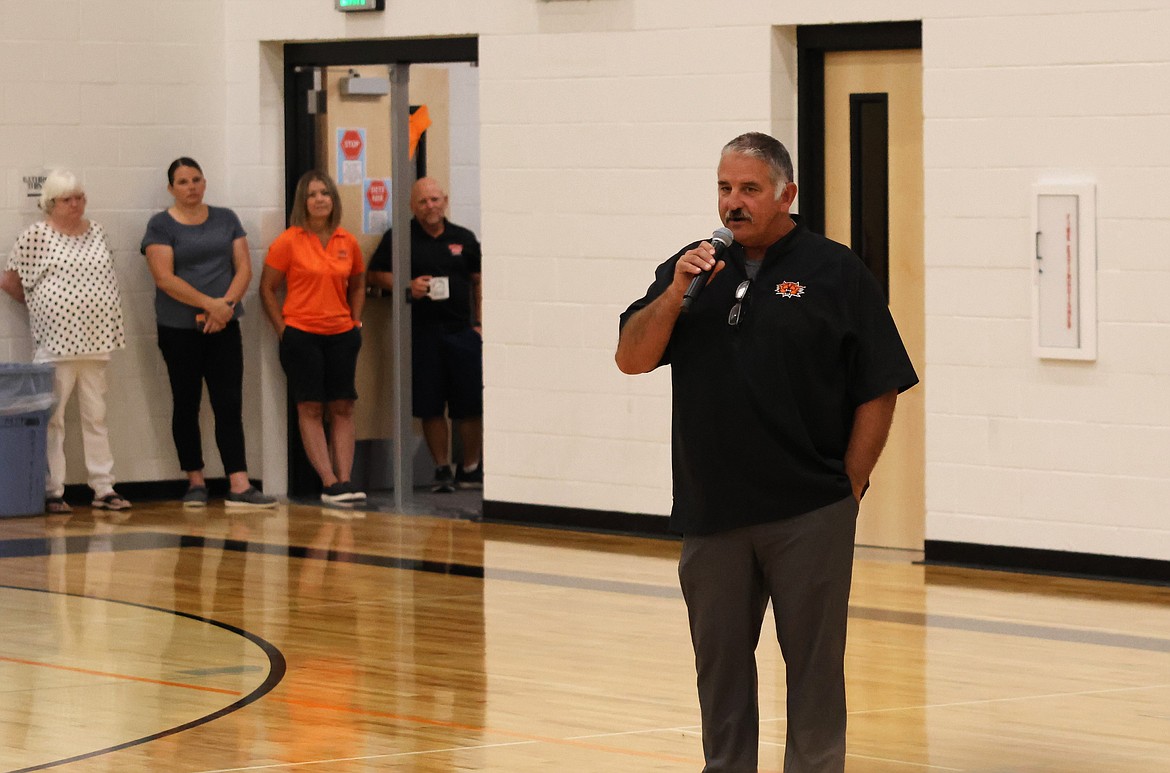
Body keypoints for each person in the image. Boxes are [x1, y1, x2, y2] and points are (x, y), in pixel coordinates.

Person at [615, 132, 919, 773]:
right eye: (725, 188)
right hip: (711, 511)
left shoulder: (836, 273)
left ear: (788, 194)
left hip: (807, 510)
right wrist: (675, 293)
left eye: (750, 189)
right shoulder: (691, 268)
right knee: (719, 671)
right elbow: (632, 358)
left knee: (813, 668)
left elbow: (881, 384)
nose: (734, 203)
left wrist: (849, 488)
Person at [141, 157, 277, 509]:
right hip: (179, 329)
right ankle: (195, 481)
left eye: (196, 179)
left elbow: (244, 266)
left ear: (205, 183)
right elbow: (164, 277)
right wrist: (208, 304)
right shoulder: (160, 225)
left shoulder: (226, 218)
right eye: (183, 182)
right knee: (186, 403)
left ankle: (239, 482)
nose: (191, 187)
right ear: (171, 188)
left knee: (228, 403)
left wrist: (225, 306)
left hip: (225, 325)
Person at [2, 170, 130, 513]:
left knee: (96, 415)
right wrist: (47, 307)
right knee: (54, 417)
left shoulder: (97, 231)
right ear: (51, 203)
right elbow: (12, 281)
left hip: (98, 338)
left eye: (79, 197)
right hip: (56, 343)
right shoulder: (36, 236)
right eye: (67, 199)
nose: (75, 204)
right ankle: (52, 490)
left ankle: (104, 487)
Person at [366, 177, 483, 494]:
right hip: (423, 334)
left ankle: (471, 469)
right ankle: (442, 468)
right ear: (412, 207)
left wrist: (480, 325)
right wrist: (406, 285)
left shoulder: (464, 238)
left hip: (462, 333)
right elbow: (374, 273)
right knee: (431, 406)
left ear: (445, 200)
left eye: (434, 199)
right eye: (422, 201)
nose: (430, 206)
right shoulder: (400, 238)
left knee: (470, 405)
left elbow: (479, 279)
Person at [260, 170, 366, 505]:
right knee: (310, 406)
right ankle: (328, 481)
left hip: (341, 334)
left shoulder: (347, 241)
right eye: (312, 194)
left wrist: (355, 321)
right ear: (302, 202)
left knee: (343, 405)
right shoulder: (288, 241)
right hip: (302, 335)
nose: (320, 199)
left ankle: (346, 480)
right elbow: (267, 288)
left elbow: (359, 282)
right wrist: (282, 329)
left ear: (333, 199)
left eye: (325, 193)